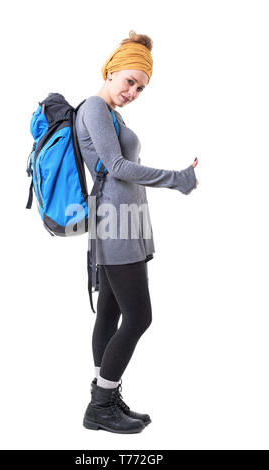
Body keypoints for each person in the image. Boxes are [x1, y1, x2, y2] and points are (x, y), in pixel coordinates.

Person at [75, 30, 199, 434]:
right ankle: (101, 404)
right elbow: (118, 168)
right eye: (130, 81)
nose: (133, 91)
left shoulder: (112, 113)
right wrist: (177, 177)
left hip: (123, 221)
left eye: (141, 88)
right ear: (111, 70)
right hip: (114, 223)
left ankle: (105, 394)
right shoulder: (95, 107)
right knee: (139, 316)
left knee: (112, 309)